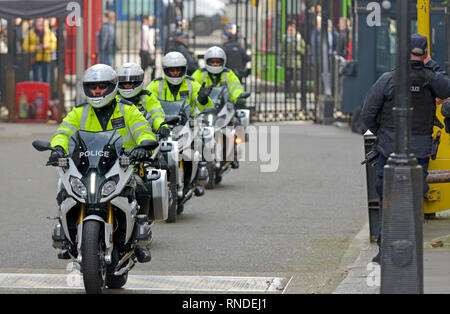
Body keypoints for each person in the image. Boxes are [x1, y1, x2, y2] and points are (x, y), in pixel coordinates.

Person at [49, 64, 156, 263]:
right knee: (63, 189)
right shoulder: (78, 112)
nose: (97, 91)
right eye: (92, 87)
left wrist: (143, 146)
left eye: (102, 87)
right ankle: (67, 238)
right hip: (87, 165)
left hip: (121, 165)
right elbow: (63, 132)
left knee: (141, 190)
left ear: (112, 87)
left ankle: (139, 241)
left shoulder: (128, 110)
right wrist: (57, 148)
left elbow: (144, 130)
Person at [361, 33, 450, 264]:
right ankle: (407, 249)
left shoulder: (388, 79)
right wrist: (430, 64)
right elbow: (447, 86)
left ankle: (385, 249)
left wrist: (383, 133)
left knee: (388, 200)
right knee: (412, 202)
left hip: (389, 150)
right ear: (424, 55)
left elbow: (367, 114)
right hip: (419, 153)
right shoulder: (432, 79)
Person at [191, 46, 245, 169]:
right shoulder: (199, 74)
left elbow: (235, 87)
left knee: (235, 126)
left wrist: (239, 97)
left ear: (223, 62)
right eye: (212, 62)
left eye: (217, 62)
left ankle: (233, 153)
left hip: (223, 109)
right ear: (207, 62)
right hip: (205, 110)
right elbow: (192, 88)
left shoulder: (228, 74)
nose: (215, 65)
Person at [146, 51, 213, 115]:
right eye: (172, 70)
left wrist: (203, 100)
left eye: (178, 69)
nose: (175, 73)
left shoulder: (192, 84)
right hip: (162, 124)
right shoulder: (156, 84)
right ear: (166, 70)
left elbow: (209, 109)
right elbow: (147, 105)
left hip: (187, 124)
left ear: (183, 69)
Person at [117, 62, 170, 137]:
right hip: (118, 142)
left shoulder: (147, 97)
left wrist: (162, 126)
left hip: (145, 139)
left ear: (138, 81)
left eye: (131, 82)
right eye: (124, 83)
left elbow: (157, 114)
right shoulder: (115, 99)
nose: (128, 85)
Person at [22, 17, 57, 83]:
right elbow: (25, 46)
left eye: (41, 21)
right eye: (38, 21)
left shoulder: (49, 32)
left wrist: (47, 46)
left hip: (46, 58)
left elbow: (54, 44)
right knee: (37, 78)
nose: (40, 23)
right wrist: (35, 47)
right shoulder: (31, 32)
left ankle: (46, 92)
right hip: (36, 59)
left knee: (47, 79)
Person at [281, 23, 306, 98]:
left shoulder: (299, 39)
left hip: (296, 63)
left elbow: (303, 51)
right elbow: (281, 50)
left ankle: (294, 94)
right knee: (287, 80)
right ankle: (287, 93)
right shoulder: (285, 39)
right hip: (287, 63)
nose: (291, 31)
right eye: (289, 29)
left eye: (292, 29)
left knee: (295, 80)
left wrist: (298, 48)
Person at [139, 15, 156, 81]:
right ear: (146, 20)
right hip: (147, 51)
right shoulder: (145, 28)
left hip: (144, 50)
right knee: (152, 68)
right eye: (150, 20)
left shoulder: (144, 28)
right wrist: (152, 50)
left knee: (144, 68)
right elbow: (148, 41)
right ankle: (152, 81)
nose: (152, 21)